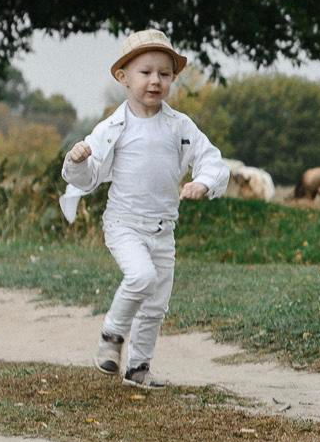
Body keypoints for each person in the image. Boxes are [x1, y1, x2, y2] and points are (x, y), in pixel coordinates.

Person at [60, 30, 229, 389]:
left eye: (164, 74)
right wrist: (76, 160)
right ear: (123, 77)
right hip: (123, 224)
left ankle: (138, 368)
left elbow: (211, 159)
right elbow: (87, 177)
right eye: (145, 72)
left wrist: (204, 182)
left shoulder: (180, 126)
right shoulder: (112, 128)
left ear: (172, 79)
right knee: (140, 277)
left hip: (163, 229)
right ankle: (111, 337)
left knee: (155, 304)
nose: (155, 81)